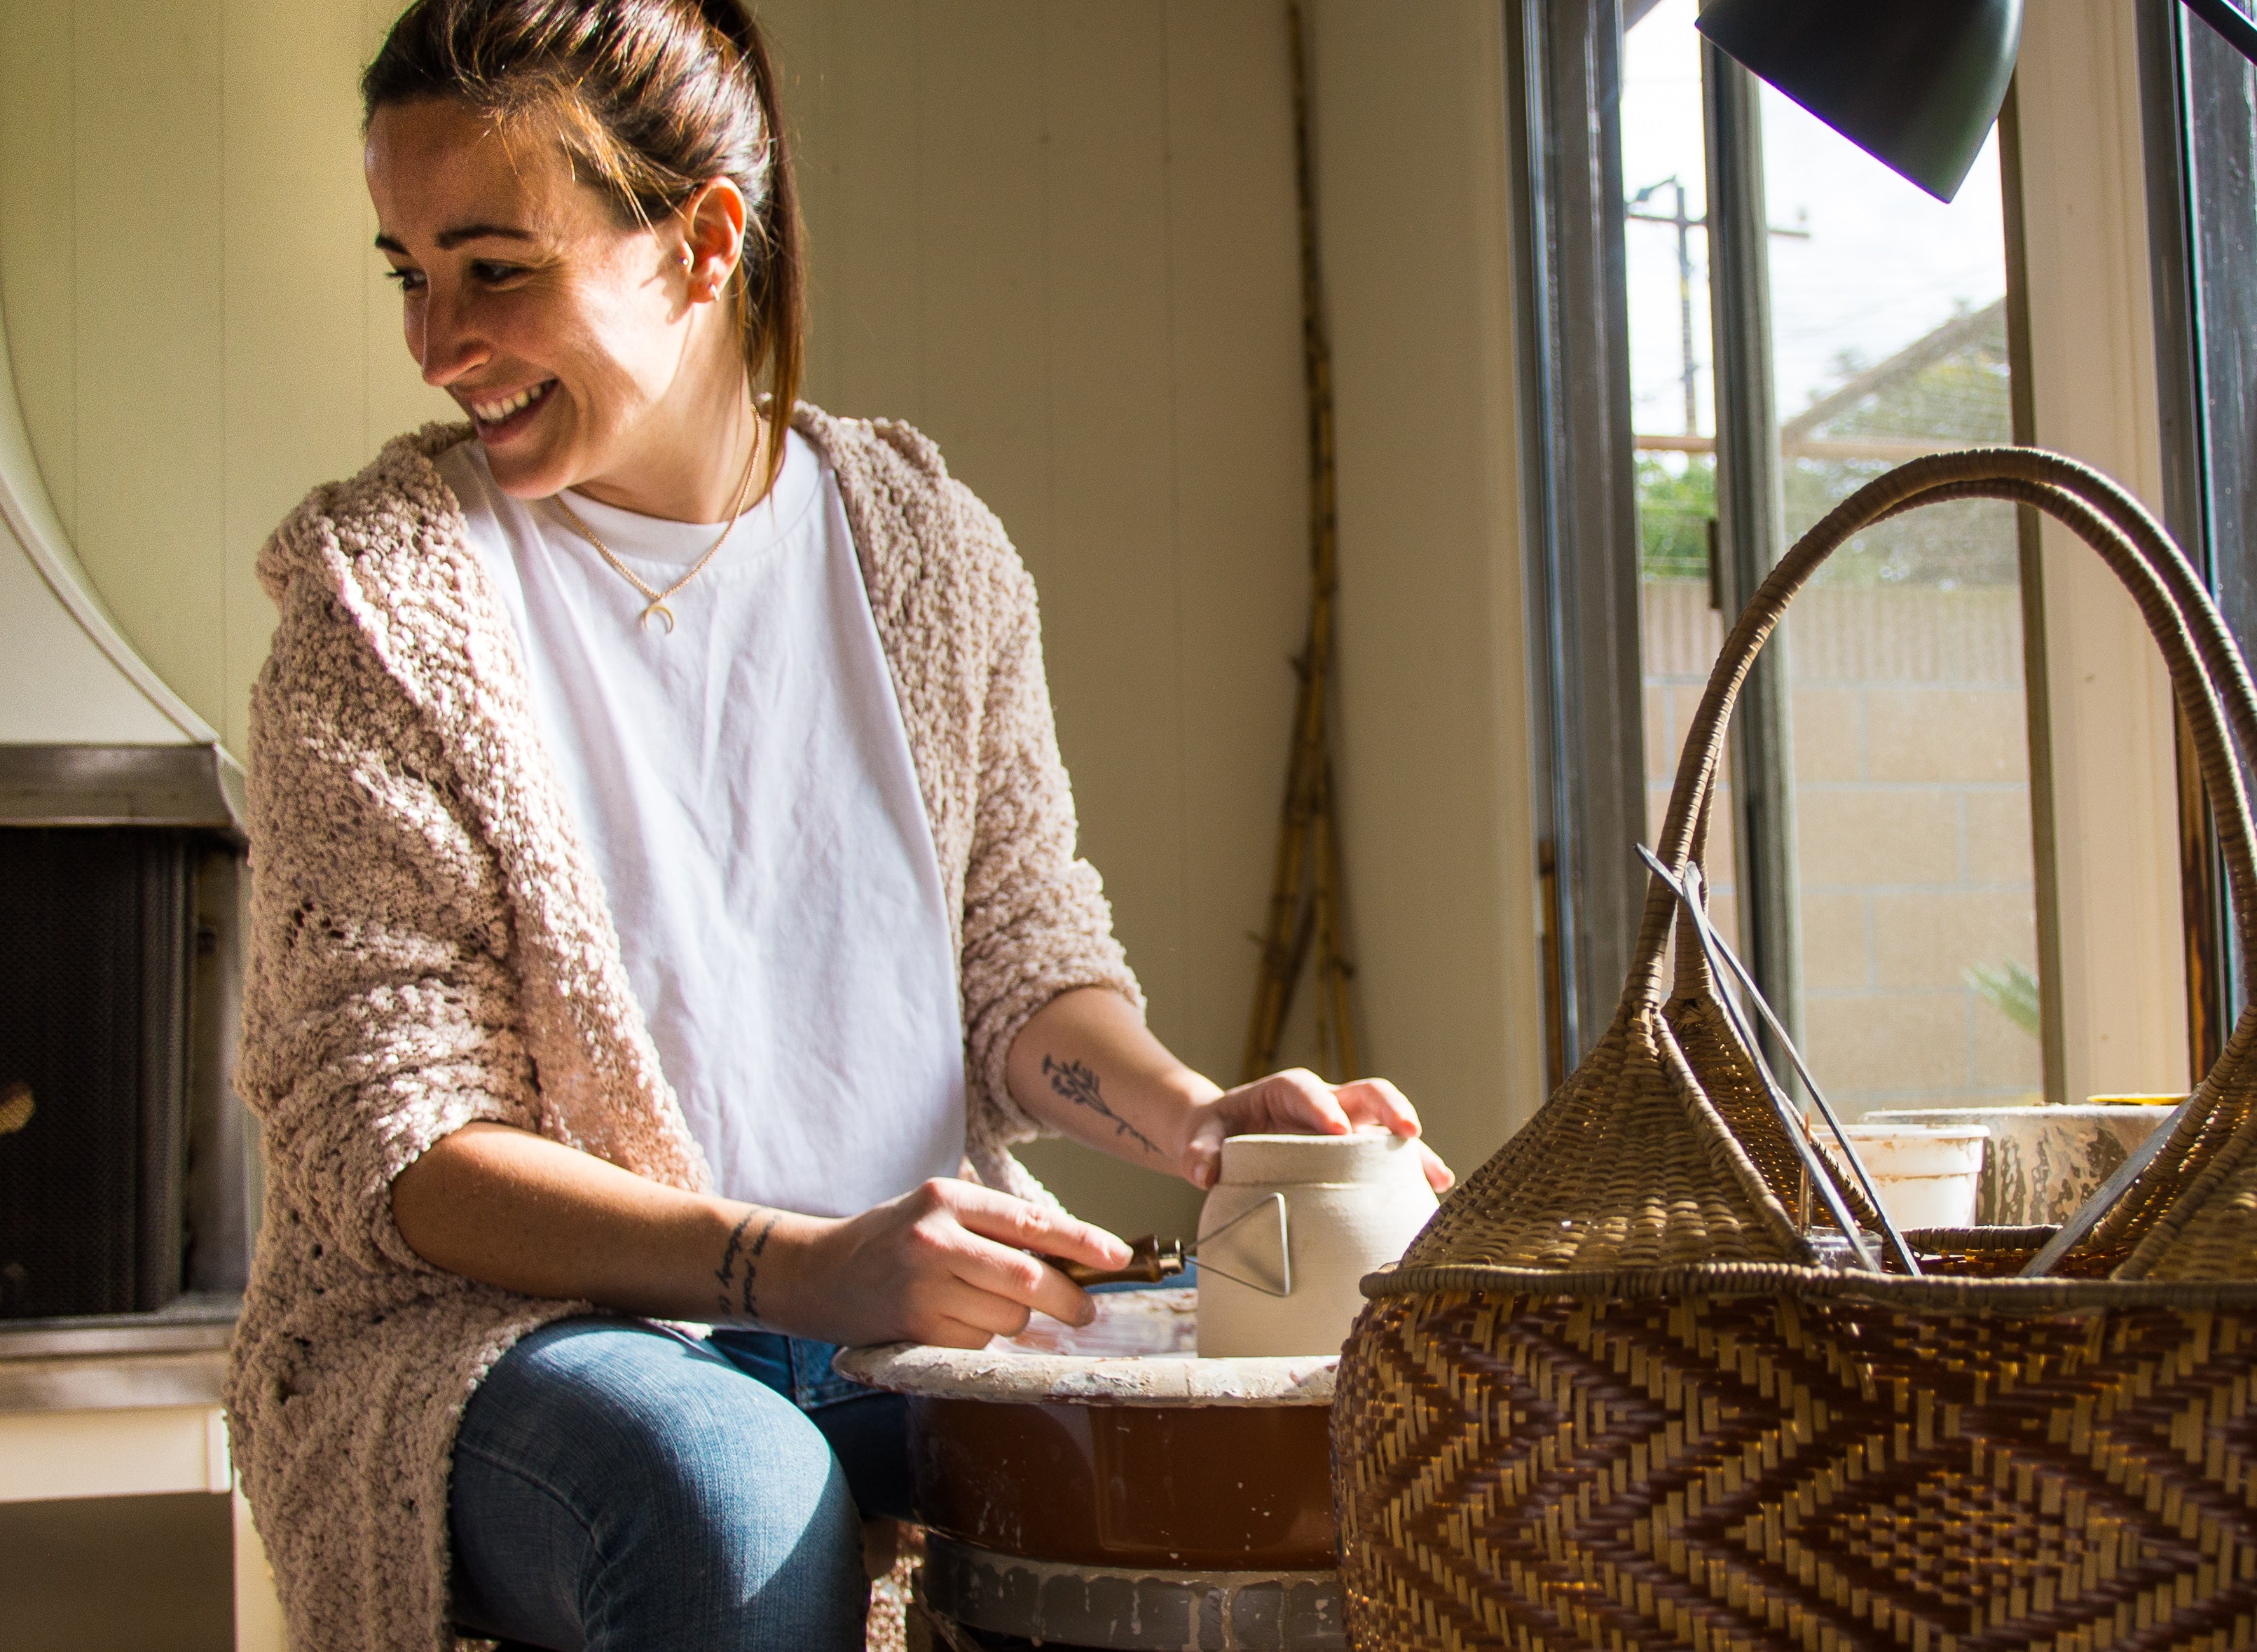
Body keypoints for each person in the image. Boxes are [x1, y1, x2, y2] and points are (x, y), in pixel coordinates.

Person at [221, 2, 1450, 1648]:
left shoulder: (928, 552)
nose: (437, 341)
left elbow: (1027, 974)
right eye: (410, 271)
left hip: (903, 1326)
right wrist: (800, 1267)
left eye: (495, 267)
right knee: (727, 1499)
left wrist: (1197, 1126)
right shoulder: (378, 604)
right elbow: (395, 1147)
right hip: (515, 1344)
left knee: (1285, 1468)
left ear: (703, 239)